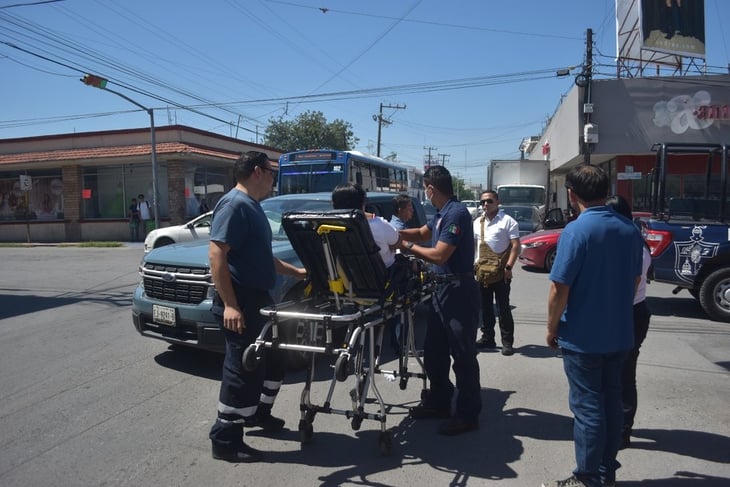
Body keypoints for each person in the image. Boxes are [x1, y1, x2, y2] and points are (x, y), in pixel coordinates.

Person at [543, 165, 643, 487]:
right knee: (612, 403)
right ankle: (605, 471)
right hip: (619, 334)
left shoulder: (576, 231)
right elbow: (634, 281)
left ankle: (587, 477)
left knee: (587, 409)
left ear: (571, 194)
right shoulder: (629, 230)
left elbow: (559, 288)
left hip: (584, 339)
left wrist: (551, 328)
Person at [208, 151, 307, 463]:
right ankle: (226, 440)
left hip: (259, 299)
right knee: (241, 368)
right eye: (271, 171)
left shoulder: (253, 207)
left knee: (273, 359)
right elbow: (216, 255)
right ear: (256, 171)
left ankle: (258, 415)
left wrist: (299, 272)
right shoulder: (234, 204)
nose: (273, 178)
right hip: (241, 301)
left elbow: (263, 258)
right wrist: (230, 305)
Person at [398, 165, 481, 436]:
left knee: (463, 355)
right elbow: (424, 232)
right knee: (434, 353)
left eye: (426, 190)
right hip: (440, 292)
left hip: (458, 291)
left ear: (431, 189)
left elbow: (439, 255)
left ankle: (468, 414)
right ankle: (440, 402)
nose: (426, 194)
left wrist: (404, 247)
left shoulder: (456, 213)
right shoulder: (441, 213)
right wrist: (392, 233)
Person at [605, 194, 652, 450]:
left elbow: (626, 289)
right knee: (611, 374)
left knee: (624, 375)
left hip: (630, 314)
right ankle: (611, 424)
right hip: (622, 313)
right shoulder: (625, 240)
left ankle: (623, 430)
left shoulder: (634, 245)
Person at [473, 190, 521, 355]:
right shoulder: (477, 222)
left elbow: (516, 246)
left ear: (497, 202)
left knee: (503, 308)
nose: (485, 204)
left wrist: (509, 267)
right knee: (485, 308)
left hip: (501, 273)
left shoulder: (508, 222)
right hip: (482, 273)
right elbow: (474, 246)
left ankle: (507, 342)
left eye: (489, 201)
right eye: (483, 202)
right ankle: (488, 338)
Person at [331, 182, 399, 268]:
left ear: (334, 204)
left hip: (345, 277)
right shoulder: (378, 224)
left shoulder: (327, 229)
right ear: (363, 203)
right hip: (382, 277)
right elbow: (397, 241)